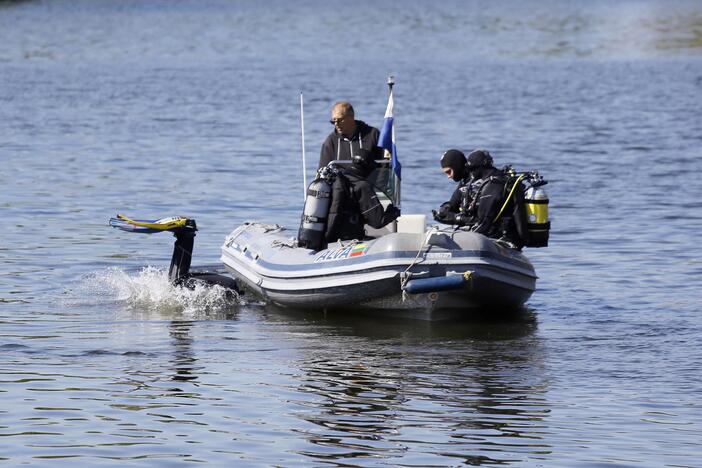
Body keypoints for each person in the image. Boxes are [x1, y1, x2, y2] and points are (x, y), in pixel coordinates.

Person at [433, 148, 528, 248]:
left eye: (449, 172)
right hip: (486, 236)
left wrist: (456, 219)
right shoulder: (467, 183)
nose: (449, 176)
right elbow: (453, 203)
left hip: (502, 240)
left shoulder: (493, 184)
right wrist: (444, 211)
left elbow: (482, 223)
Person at [325, 149, 400, 243]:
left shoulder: (338, 179)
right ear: (368, 167)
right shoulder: (362, 186)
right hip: (348, 240)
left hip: (328, 238)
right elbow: (378, 222)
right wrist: (393, 212)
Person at [318, 101, 384, 169]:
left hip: (369, 179)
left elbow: (385, 164)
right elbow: (323, 170)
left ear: (351, 117)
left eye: (340, 120)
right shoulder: (331, 142)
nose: (336, 124)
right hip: (341, 179)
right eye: (333, 121)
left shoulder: (373, 135)